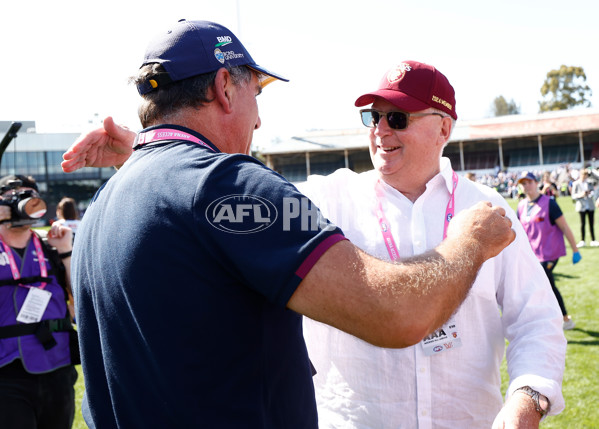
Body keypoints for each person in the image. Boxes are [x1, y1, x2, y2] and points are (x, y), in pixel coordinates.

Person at [60, 21, 515, 428]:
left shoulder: (106, 201)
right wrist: (469, 241)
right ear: (223, 86)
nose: (258, 119)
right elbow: (396, 314)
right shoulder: (231, 183)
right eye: (255, 96)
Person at [295, 62, 566, 428]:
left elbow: (536, 317)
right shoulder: (328, 200)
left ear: (443, 127)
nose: (380, 130)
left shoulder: (488, 208)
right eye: (373, 117)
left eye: (398, 118)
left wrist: (528, 396)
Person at [0, 174, 78, 429]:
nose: (22, 204)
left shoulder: (51, 248)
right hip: (6, 370)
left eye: (29, 197)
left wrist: (65, 251)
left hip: (56, 364)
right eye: (13, 198)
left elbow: (79, 308)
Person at [517, 171, 580, 330]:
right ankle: (557, 319)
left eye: (529, 182)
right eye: (523, 183)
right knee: (544, 285)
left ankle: (563, 319)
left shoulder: (550, 203)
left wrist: (575, 249)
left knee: (544, 282)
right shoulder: (521, 206)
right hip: (532, 255)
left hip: (549, 254)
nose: (526, 186)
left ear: (536, 182)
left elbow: (564, 226)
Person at [571, 168, 599, 247]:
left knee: (591, 224)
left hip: (590, 205)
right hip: (581, 206)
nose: (584, 176)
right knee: (582, 224)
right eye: (583, 175)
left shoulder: (589, 183)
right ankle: (582, 240)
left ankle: (593, 240)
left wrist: (590, 193)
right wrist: (581, 194)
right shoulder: (576, 184)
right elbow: (573, 196)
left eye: (586, 175)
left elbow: (594, 192)